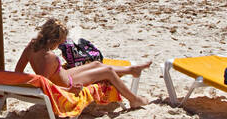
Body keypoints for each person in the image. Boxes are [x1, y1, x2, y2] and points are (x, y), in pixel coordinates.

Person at [14, 18, 150, 109]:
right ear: (54, 41)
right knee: (107, 71)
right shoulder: (50, 58)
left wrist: (23, 84)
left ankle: (131, 70)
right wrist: (69, 91)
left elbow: (18, 72)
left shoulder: (31, 46)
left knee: (97, 64)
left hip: (62, 76)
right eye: (60, 42)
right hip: (66, 84)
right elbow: (45, 87)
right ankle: (134, 99)